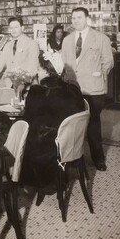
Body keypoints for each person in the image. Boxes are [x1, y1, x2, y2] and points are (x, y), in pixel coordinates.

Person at [21, 51, 85, 190]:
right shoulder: (73, 89)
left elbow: (28, 119)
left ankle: (31, 181)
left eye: (39, 69)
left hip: (49, 145)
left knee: (22, 135)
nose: (37, 72)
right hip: (71, 141)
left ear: (47, 71)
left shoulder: (39, 91)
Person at [61, 7, 114, 171]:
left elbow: (108, 61)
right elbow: (64, 63)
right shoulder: (67, 40)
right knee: (71, 125)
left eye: (79, 17)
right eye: (73, 18)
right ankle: (71, 157)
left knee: (93, 124)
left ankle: (98, 158)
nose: (76, 20)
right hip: (72, 88)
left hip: (93, 89)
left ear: (87, 19)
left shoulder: (100, 38)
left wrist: (99, 74)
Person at [0, 16, 39, 89]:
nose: (13, 30)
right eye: (11, 28)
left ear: (22, 28)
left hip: (25, 84)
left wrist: (26, 81)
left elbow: (33, 65)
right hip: (8, 83)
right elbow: (0, 63)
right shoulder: (8, 45)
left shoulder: (32, 44)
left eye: (16, 27)